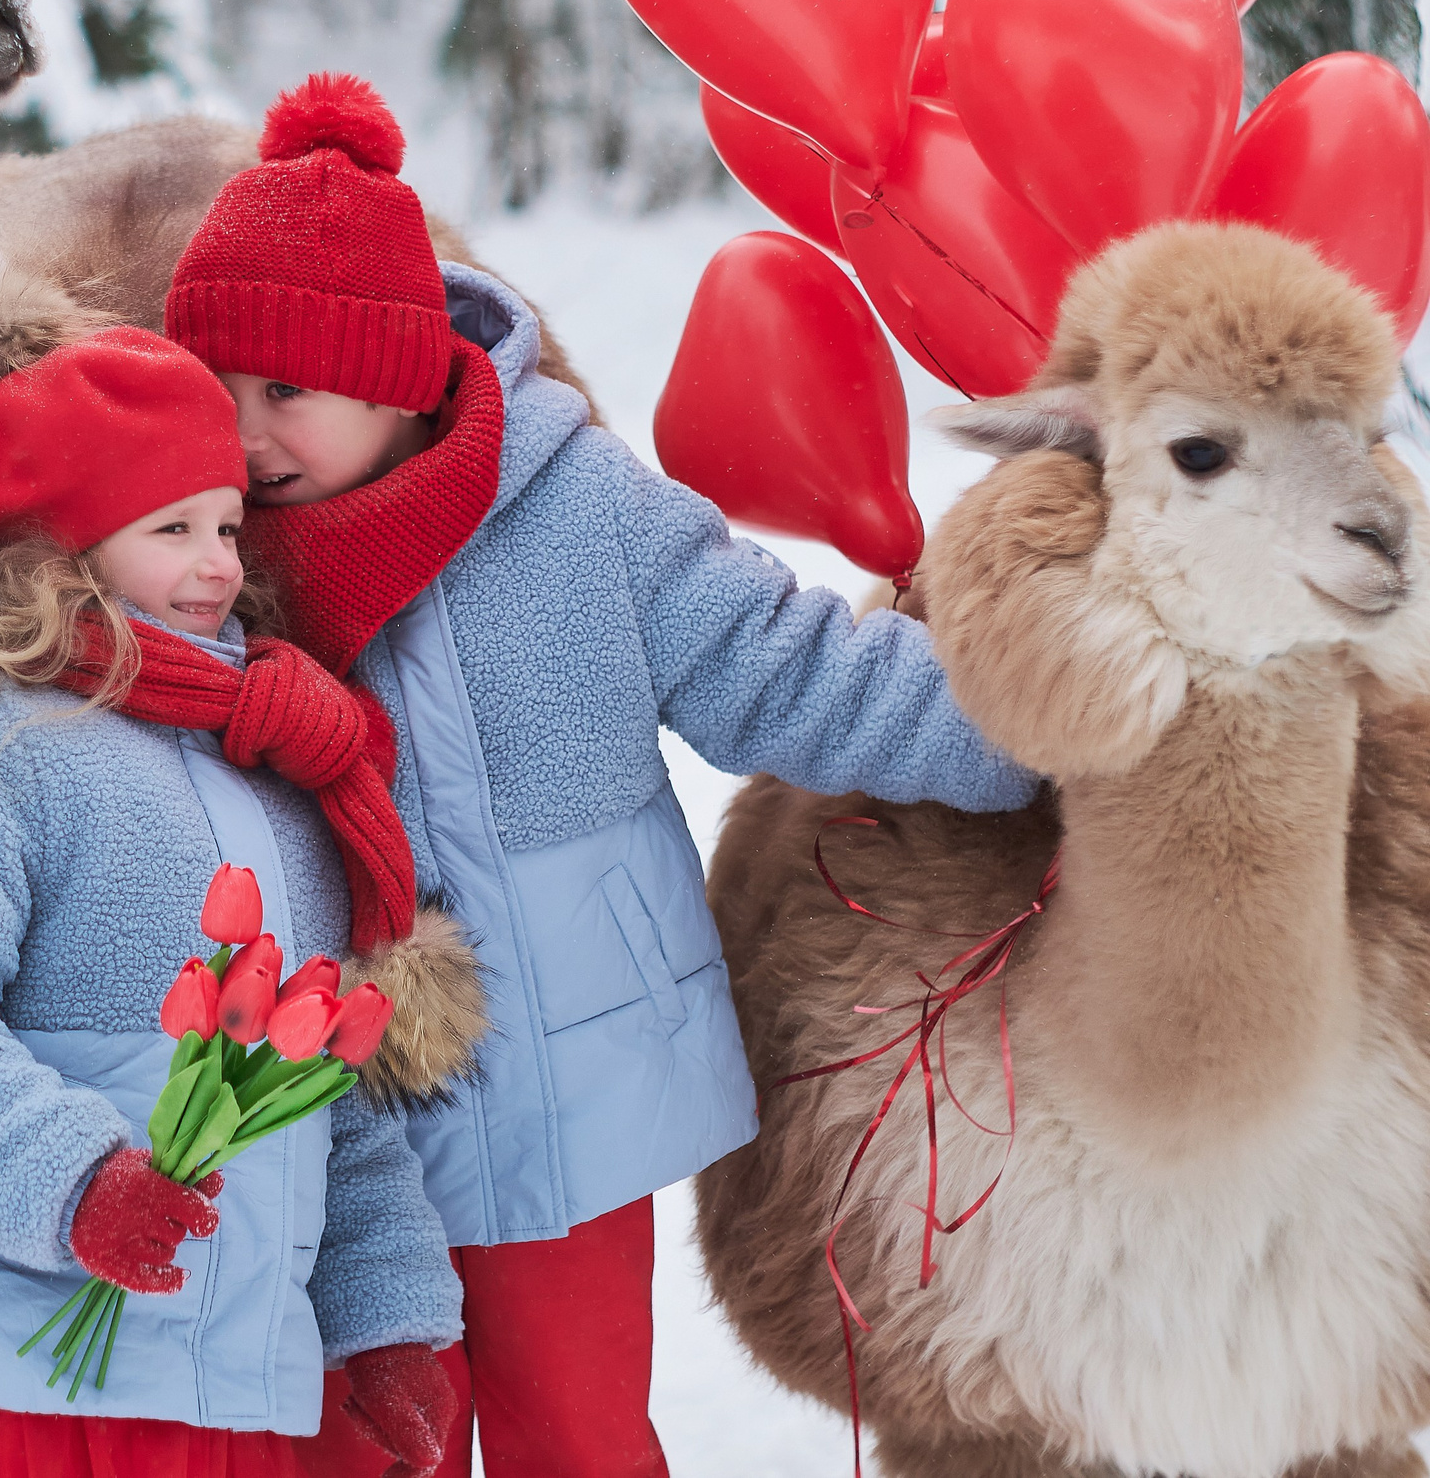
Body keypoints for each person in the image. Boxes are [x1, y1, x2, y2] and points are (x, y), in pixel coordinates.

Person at [156, 73, 1042, 1478]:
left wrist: (1040, 751)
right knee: (364, 1440)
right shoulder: (208, 562)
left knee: (577, 1428)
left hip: (570, 1075)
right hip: (327, 1110)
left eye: (287, 390)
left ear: (391, 373)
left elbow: (785, 663)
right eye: (219, 390)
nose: (249, 432)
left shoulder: (576, 509)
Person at [0, 327, 466, 1478]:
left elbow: (316, 1088)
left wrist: (387, 1315)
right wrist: (73, 1181)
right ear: (60, 546)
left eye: (225, 527)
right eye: (172, 530)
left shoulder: (263, 764)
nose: (217, 565)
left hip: (220, 1391)